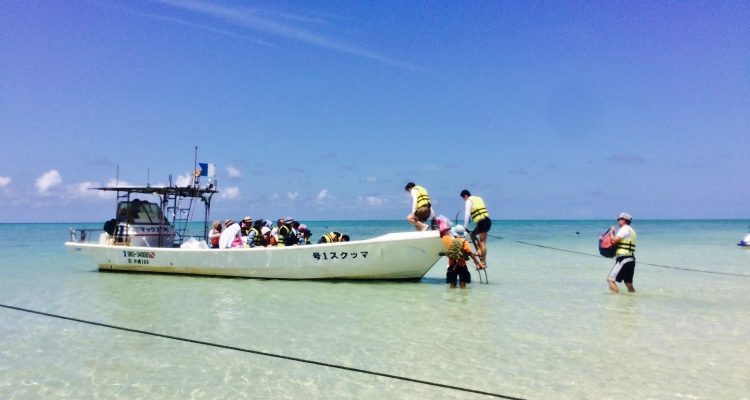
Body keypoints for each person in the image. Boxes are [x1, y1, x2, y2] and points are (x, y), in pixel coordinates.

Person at [607, 213, 637, 293]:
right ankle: (632, 301)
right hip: (631, 259)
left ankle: (615, 301)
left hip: (623, 259)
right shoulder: (632, 230)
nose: (618, 221)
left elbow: (614, 240)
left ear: (623, 220)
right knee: (628, 283)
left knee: (610, 280)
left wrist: (612, 231)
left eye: (619, 219)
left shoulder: (624, 229)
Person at [460, 190, 491, 266]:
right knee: (472, 234)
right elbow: (476, 210)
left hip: (482, 222)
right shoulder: (479, 198)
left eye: (463, 198)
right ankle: (478, 251)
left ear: (465, 196)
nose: (464, 200)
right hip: (486, 221)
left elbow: (467, 215)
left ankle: (483, 262)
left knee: (482, 242)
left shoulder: (468, 201)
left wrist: (465, 227)